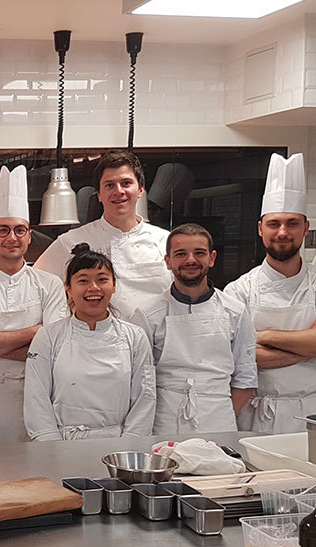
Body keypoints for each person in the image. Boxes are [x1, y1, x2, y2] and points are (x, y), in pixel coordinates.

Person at [0, 165, 66, 445]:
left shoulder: (50, 284)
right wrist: (34, 333)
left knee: (40, 473)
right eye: (4, 230)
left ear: (29, 235)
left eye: (19, 230)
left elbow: (54, 349)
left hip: (41, 392)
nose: (12, 237)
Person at [132, 223, 256, 434]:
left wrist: (219, 414)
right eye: (181, 254)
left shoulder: (235, 312)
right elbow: (138, 382)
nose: (190, 260)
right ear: (168, 262)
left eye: (199, 253)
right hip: (163, 421)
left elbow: (246, 380)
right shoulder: (147, 315)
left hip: (219, 421)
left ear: (212, 258)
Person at [24, 243, 156, 440]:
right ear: (68, 288)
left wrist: (129, 445)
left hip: (120, 446)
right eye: (83, 280)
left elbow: (145, 398)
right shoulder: (49, 337)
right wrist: (51, 447)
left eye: (102, 280)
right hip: (62, 444)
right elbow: (36, 399)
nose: (93, 288)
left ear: (114, 286)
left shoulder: (135, 337)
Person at [225, 152, 316, 433]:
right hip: (257, 416)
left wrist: (261, 337)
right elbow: (239, 357)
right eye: (274, 223)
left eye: (292, 223)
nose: (282, 232)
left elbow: (252, 349)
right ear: (260, 229)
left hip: (312, 413)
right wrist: (306, 349)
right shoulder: (239, 291)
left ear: (305, 229)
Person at [33, 150, 171, 315]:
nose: (118, 191)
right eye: (109, 185)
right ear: (99, 194)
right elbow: (34, 289)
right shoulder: (70, 242)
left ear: (140, 190)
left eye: (126, 183)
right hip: (95, 338)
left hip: (155, 339)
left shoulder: (166, 242)